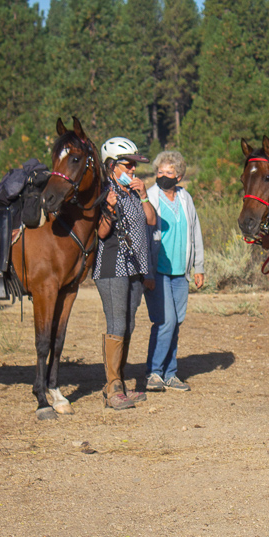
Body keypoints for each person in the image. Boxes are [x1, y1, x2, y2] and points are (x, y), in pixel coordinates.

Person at [94, 136, 157, 410]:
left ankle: (119, 381)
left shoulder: (132, 191)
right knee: (116, 324)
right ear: (112, 166)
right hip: (111, 267)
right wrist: (108, 207)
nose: (133, 169)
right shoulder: (104, 191)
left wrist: (143, 194)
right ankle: (112, 388)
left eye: (134, 165)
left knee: (128, 325)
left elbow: (152, 220)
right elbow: (100, 232)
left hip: (134, 268)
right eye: (128, 165)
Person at [143, 151, 205, 392]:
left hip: (181, 272)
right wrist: (146, 271)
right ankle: (154, 373)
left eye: (168, 172)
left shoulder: (185, 198)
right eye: (159, 172)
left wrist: (198, 266)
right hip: (158, 270)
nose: (162, 176)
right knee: (165, 320)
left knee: (176, 322)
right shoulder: (151, 196)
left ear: (179, 176)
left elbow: (195, 232)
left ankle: (170, 373)